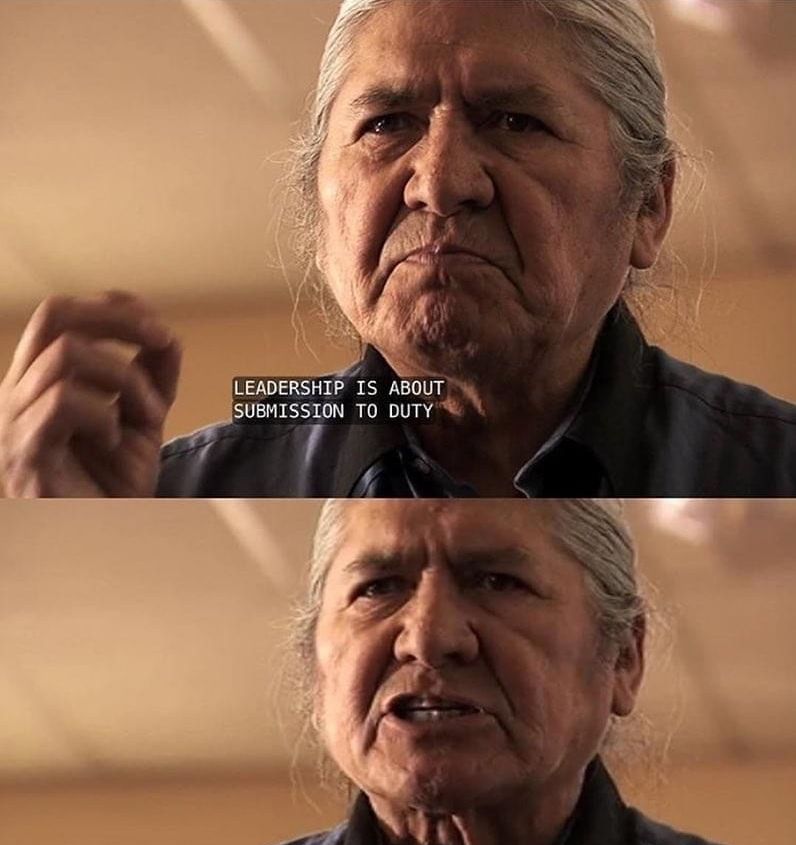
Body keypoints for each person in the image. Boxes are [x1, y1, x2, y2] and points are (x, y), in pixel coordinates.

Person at [2, 0, 795, 497]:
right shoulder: (177, 487)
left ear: (648, 205)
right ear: (319, 203)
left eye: (514, 122)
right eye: (386, 125)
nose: (440, 182)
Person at [86, 499, 796, 845]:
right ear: (316, 665)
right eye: (378, 587)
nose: (429, 637)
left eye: (497, 580)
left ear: (624, 659)